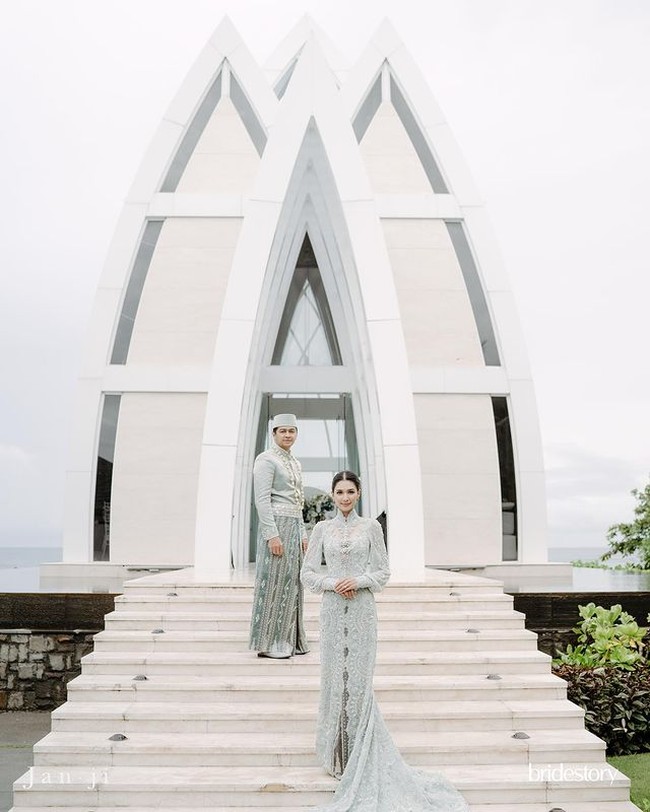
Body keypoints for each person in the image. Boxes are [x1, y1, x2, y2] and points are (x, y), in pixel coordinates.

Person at [301, 471, 469, 811]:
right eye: (339, 492)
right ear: (332, 496)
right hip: (333, 611)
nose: (345, 497)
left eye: (350, 491)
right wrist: (334, 583)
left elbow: (382, 572)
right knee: (335, 679)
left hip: (362, 612)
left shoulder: (371, 528)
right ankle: (338, 757)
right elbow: (307, 574)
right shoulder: (321, 530)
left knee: (360, 682)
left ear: (359, 494)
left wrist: (358, 581)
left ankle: (360, 755)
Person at [249, 413, 309, 659]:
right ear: (273, 433)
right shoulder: (266, 459)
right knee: (274, 583)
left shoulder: (294, 462)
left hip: (293, 525)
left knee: (293, 582)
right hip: (276, 525)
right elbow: (262, 501)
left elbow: (298, 502)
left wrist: (303, 531)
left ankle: (292, 640)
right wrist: (271, 535)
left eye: (291, 431)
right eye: (282, 431)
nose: (287, 435)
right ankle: (271, 642)